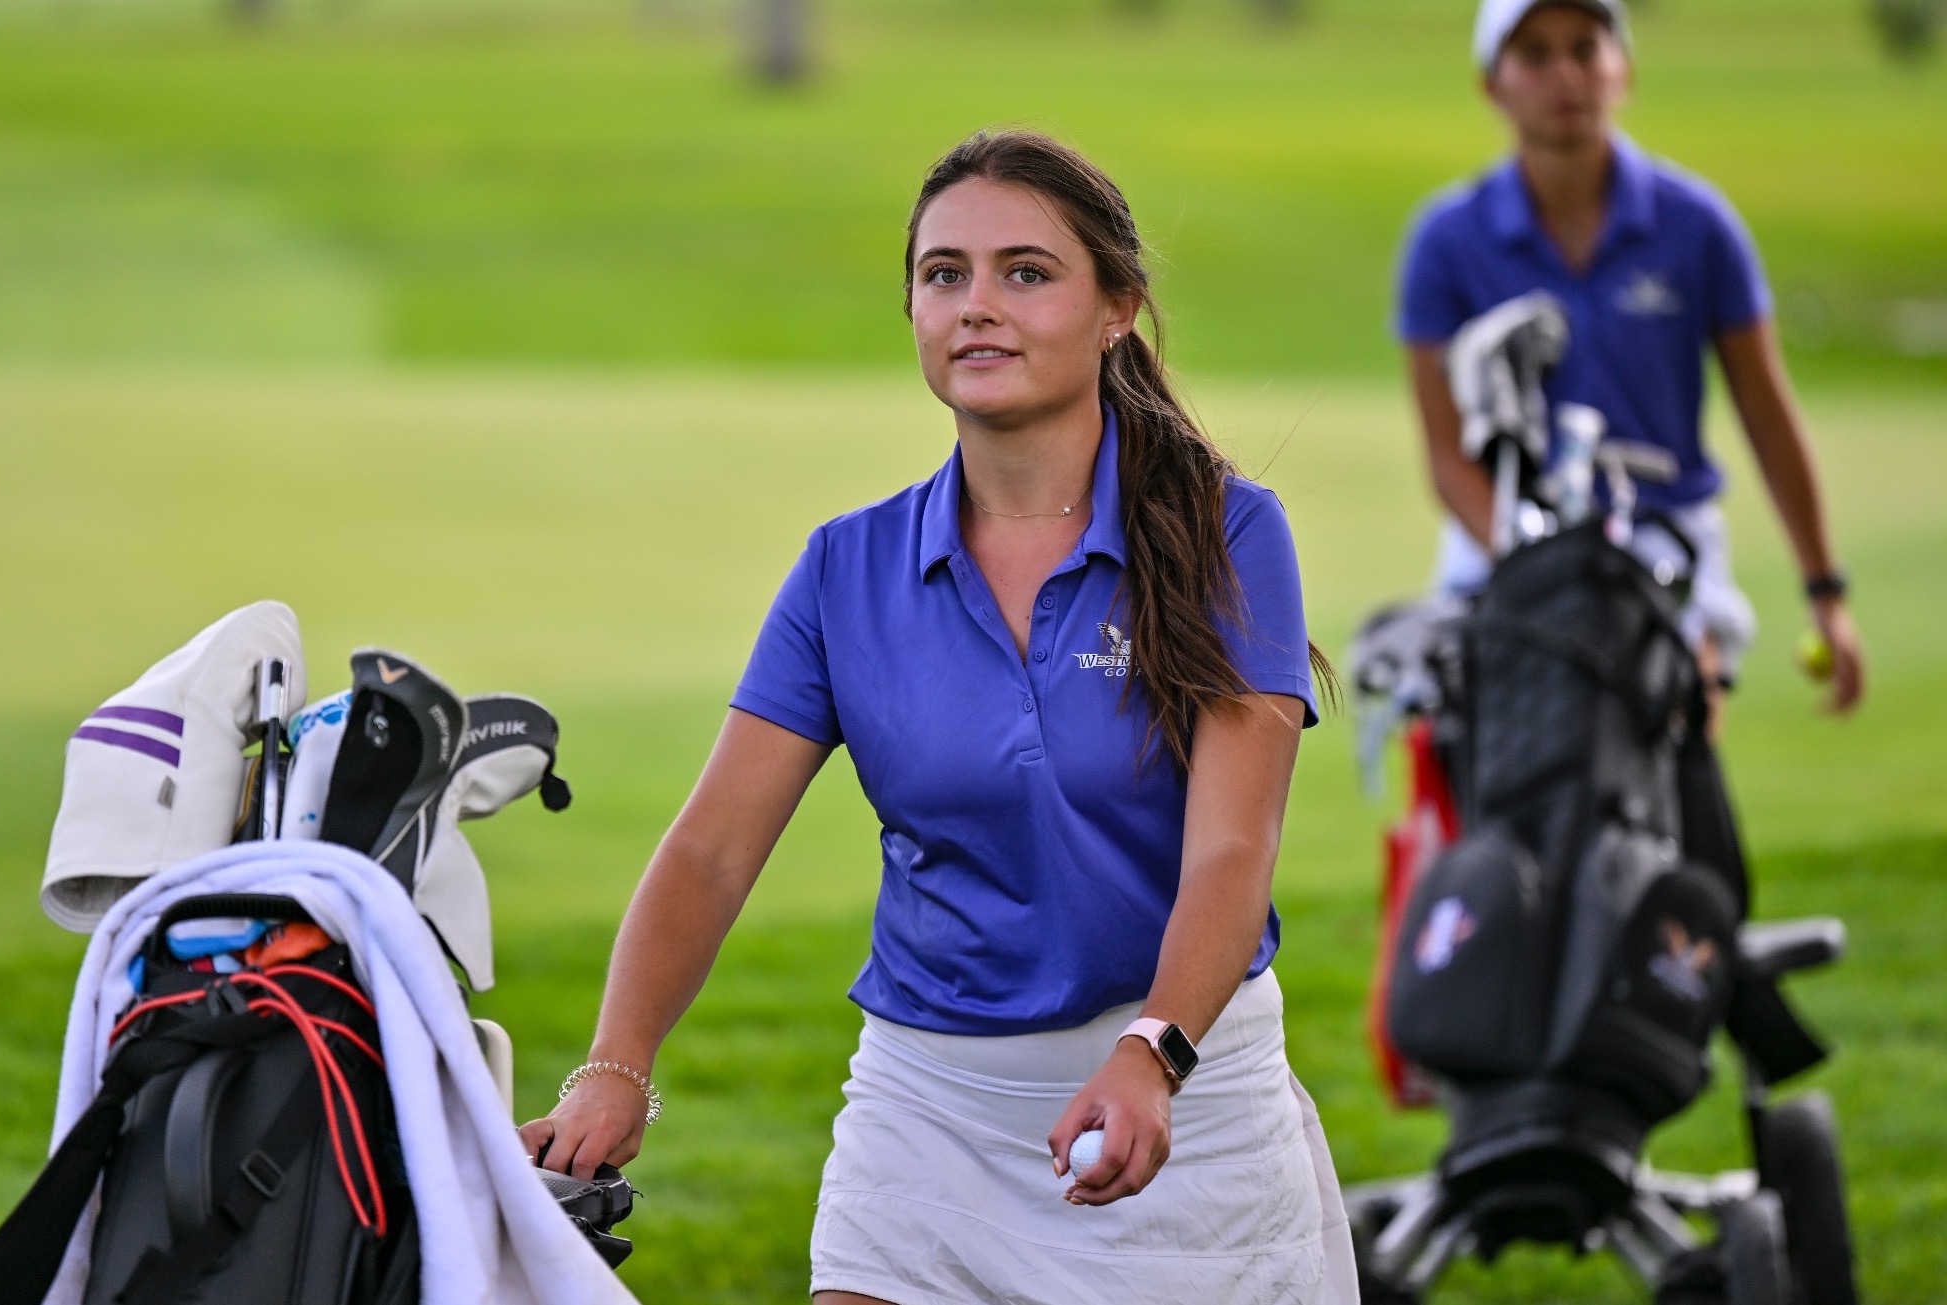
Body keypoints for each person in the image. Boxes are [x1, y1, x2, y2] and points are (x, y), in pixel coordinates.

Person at [518, 129, 1359, 1304]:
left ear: (1116, 308)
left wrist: (1151, 1051)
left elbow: (1229, 850)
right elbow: (709, 850)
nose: (976, 306)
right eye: (942, 274)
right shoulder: (842, 569)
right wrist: (615, 1066)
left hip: (1181, 1088)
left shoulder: (1228, 532)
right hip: (930, 1108)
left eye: (1025, 272)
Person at [1397, 0, 1867, 718]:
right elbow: (1446, 457)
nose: (1566, 75)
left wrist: (1824, 591)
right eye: (1534, 54)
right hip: (1506, 538)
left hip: (1666, 537)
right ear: (1491, 84)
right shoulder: (1445, 241)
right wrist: (1545, 572)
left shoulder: (1698, 224)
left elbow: (1767, 415)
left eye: (1586, 48)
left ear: (1625, 69)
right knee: (1473, 747)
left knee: (1673, 745)